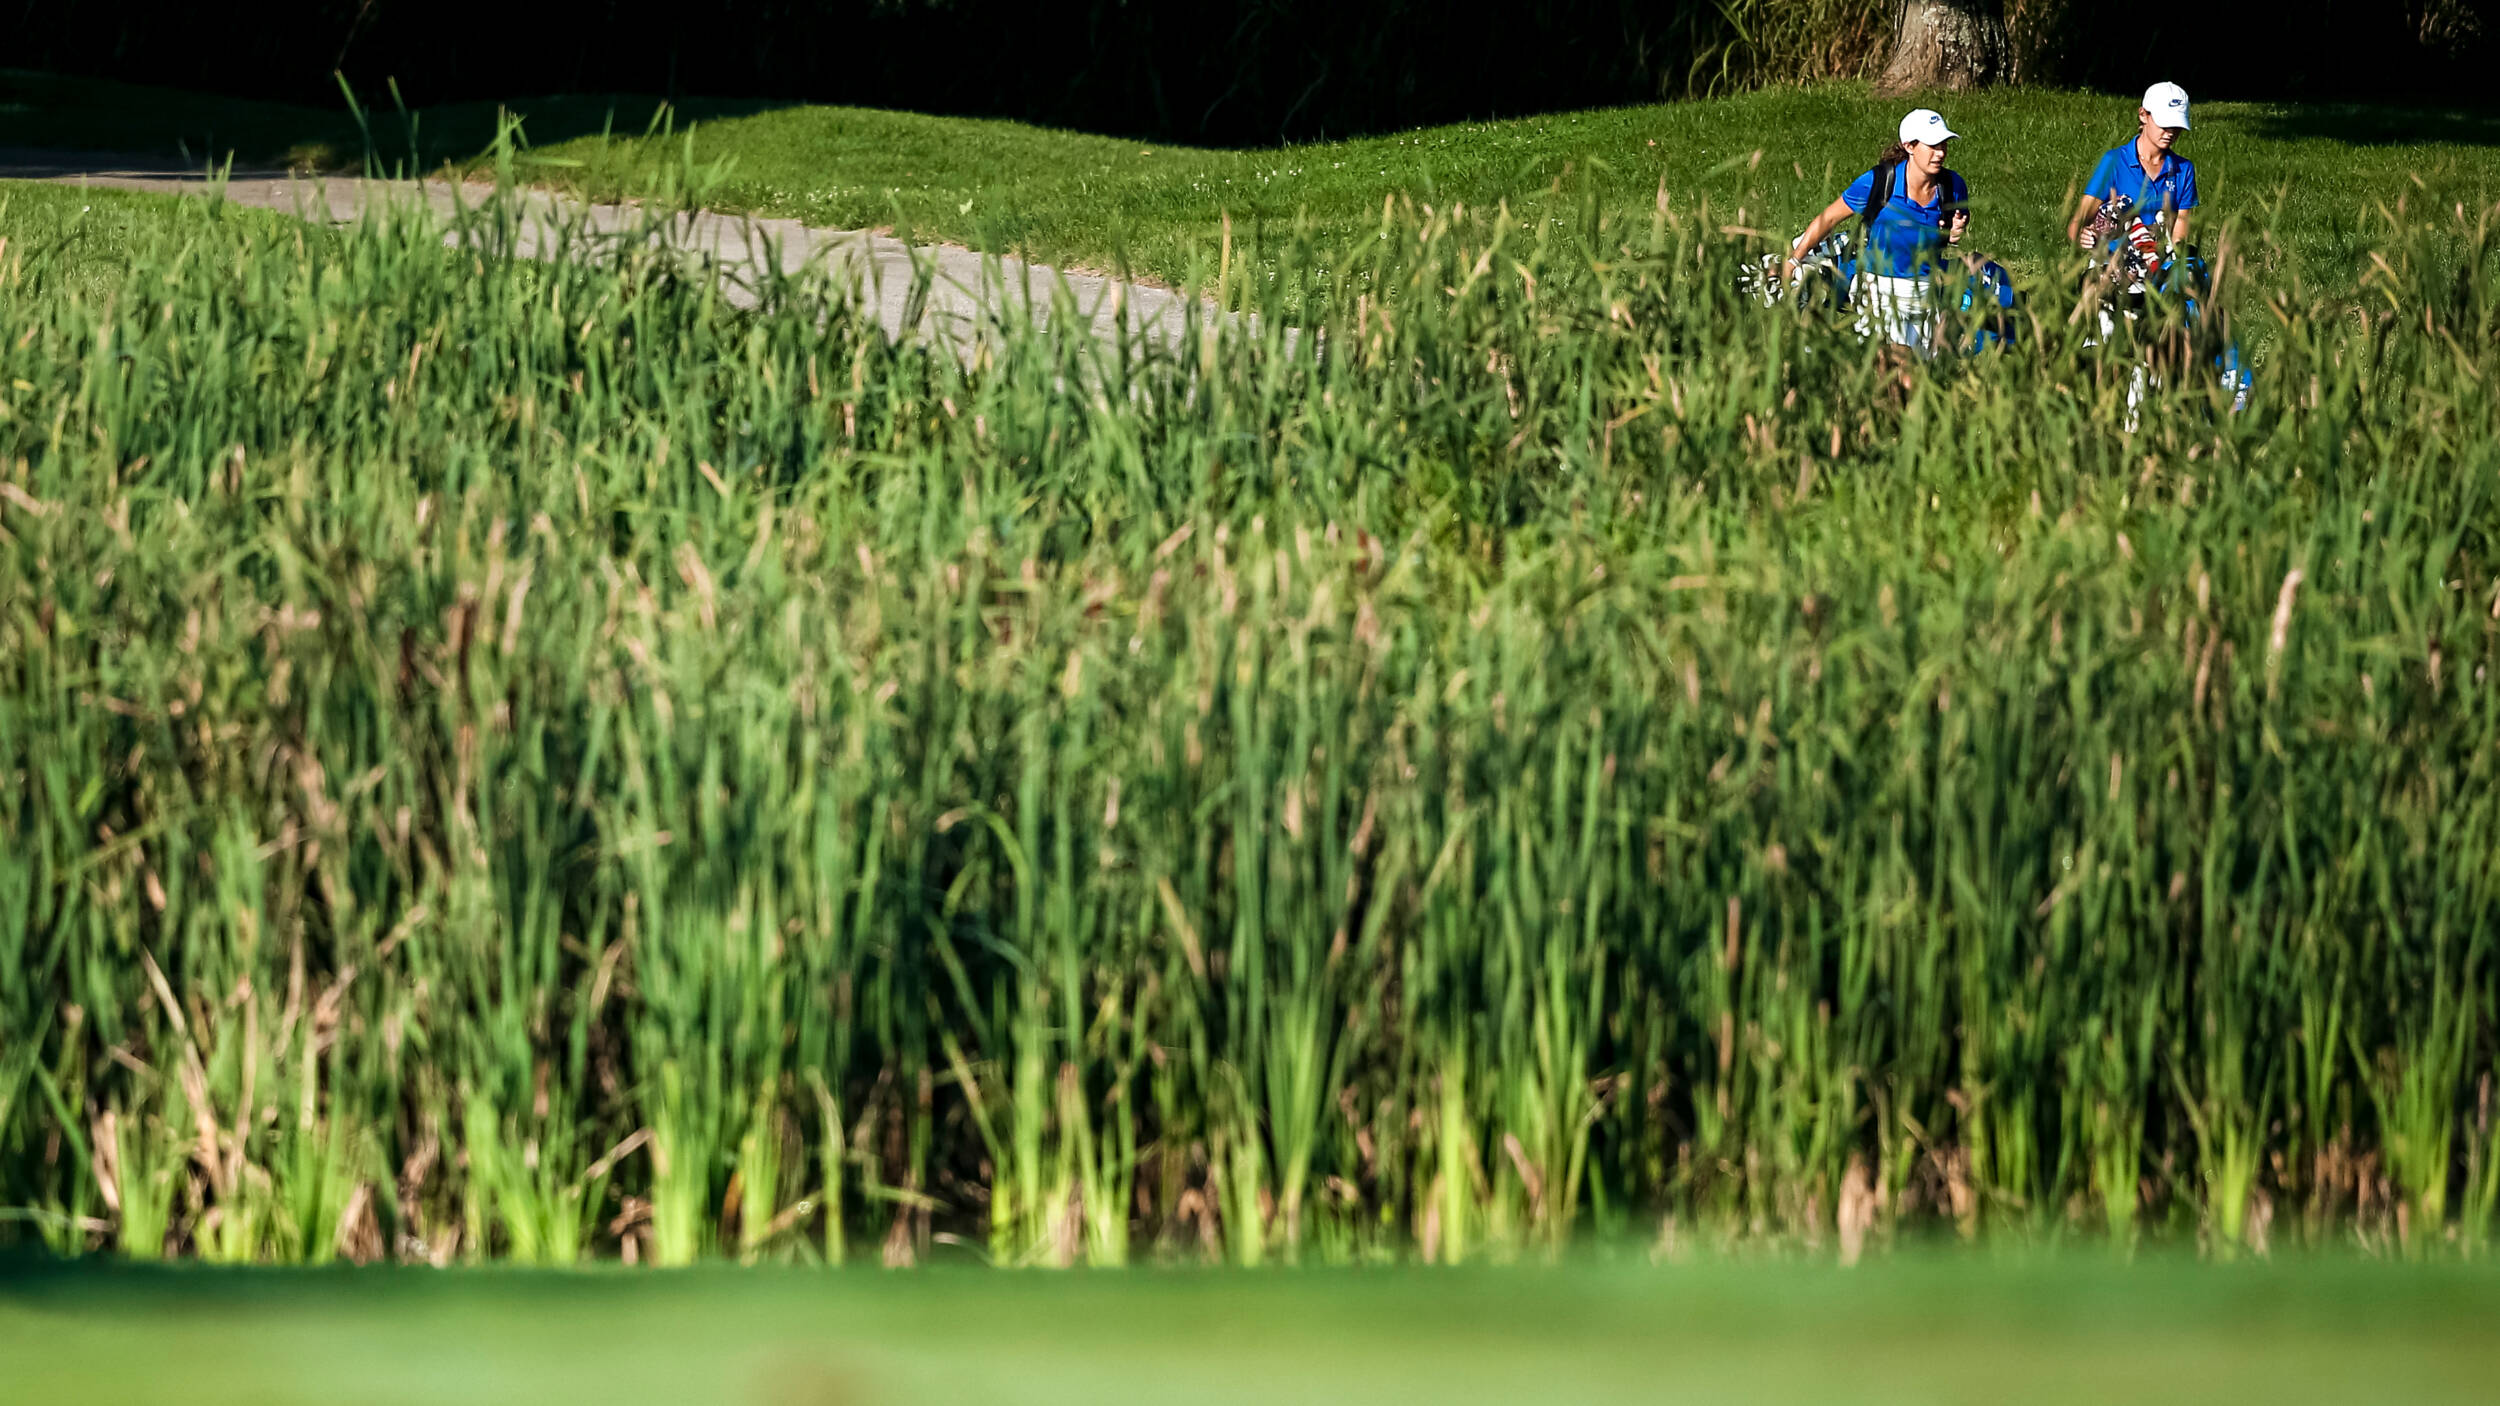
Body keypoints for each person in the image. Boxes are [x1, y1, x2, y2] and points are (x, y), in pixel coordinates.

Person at [1782, 109, 1971, 351]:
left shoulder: (1953, 186)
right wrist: (1793, 261)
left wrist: (1955, 233)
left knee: (1914, 380)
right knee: (1900, 367)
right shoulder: (1879, 182)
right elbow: (1828, 219)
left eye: (1943, 145)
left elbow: (1952, 233)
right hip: (1879, 288)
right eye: (1933, 146)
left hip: (1924, 290)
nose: (1941, 152)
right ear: (1910, 146)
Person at [2068, 82, 2200, 283]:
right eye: (2164, 124)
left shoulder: (2184, 169)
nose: (2170, 132)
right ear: (2143, 115)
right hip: (2114, 264)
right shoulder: (2114, 162)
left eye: (2177, 126)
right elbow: (2078, 221)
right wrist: (2081, 236)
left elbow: (2180, 225)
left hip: (2161, 266)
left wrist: (2176, 257)